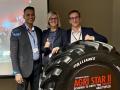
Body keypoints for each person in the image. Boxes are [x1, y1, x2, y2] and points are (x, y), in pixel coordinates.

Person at [10, 6, 42, 90]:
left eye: (32, 15)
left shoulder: (39, 31)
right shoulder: (16, 31)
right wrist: (16, 72)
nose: (30, 17)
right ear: (23, 16)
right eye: (28, 15)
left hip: (37, 68)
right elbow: (13, 54)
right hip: (23, 70)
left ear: (35, 16)